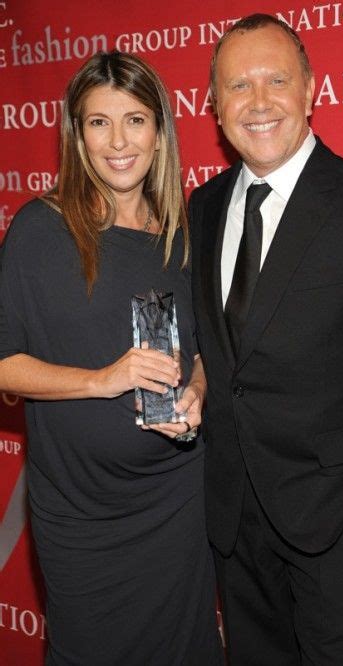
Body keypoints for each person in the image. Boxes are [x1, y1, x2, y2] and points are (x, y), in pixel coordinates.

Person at [189, 13, 343, 666]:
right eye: (237, 86)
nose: (259, 101)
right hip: (233, 519)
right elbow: (219, 355)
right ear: (214, 108)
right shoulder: (203, 208)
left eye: (277, 79)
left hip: (336, 526)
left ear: (309, 90)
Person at [0, 51, 223, 666]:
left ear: (160, 131)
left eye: (135, 120)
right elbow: (3, 364)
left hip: (177, 501)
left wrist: (196, 392)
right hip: (82, 516)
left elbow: (199, 353)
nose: (118, 141)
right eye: (98, 123)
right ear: (77, 135)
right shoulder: (41, 232)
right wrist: (103, 380)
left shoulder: (180, 234)